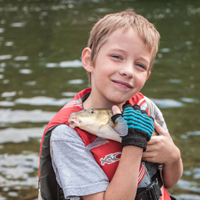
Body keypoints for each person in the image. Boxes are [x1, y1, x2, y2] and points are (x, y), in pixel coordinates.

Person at [38, 10, 183, 200]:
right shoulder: (67, 134)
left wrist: (173, 156)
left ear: (147, 76)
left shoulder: (146, 107)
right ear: (89, 60)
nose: (128, 71)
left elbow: (169, 181)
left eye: (140, 65)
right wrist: (134, 144)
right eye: (116, 57)